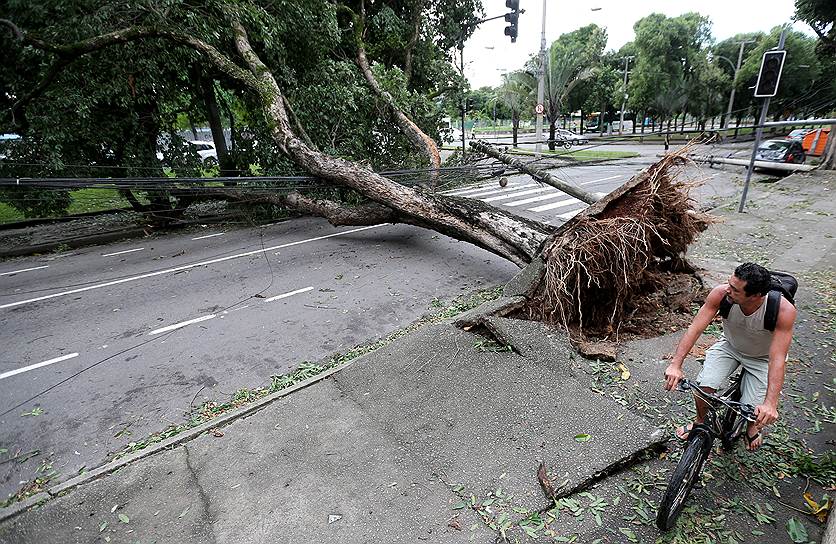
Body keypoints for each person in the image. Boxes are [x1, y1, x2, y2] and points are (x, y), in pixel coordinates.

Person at [663, 263, 797, 451]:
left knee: (754, 411)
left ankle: (751, 428)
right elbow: (695, 328)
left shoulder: (784, 311)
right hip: (730, 346)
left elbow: (777, 358)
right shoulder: (721, 294)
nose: (727, 289)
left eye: (735, 289)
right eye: (729, 283)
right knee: (703, 388)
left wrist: (770, 404)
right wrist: (676, 364)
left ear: (756, 296)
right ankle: (699, 421)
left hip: (763, 358)